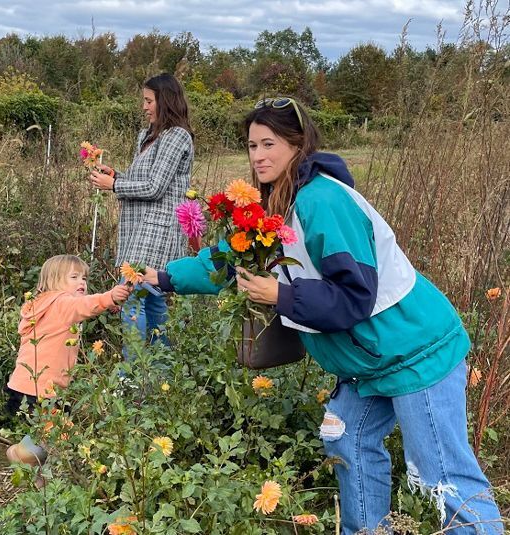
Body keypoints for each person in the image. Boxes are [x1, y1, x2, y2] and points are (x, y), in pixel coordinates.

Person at [142, 98, 503, 533]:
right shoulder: (274, 205)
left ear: (298, 144)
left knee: (442, 474)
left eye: (269, 143)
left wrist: (280, 293)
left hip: (415, 352)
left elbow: (356, 295)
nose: (258, 155)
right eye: (252, 145)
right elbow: (227, 260)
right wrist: (164, 277)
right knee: (346, 438)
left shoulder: (322, 200)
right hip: (369, 363)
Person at [89, 73, 194, 344]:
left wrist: (113, 185)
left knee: (133, 296)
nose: (144, 107)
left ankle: (133, 373)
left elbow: (155, 187)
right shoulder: (147, 136)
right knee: (152, 298)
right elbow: (142, 181)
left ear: (166, 101)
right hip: (141, 227)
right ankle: (160, 369)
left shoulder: (176, 137)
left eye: (149, 101)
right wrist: (117, 175)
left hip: (158, 228)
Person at [5, 254, 131, 473]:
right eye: (74, 277)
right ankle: (47, 483)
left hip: (27, 386)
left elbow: (81, 308)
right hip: (40, 388)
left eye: (84, 278)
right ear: (54, 281)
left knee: (46, 434)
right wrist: (110, 296)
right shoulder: (61, 302)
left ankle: (19, 453)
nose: (82, 282)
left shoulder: (43, 304)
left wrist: (105, 304)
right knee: (61, 437)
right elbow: (84, 306)